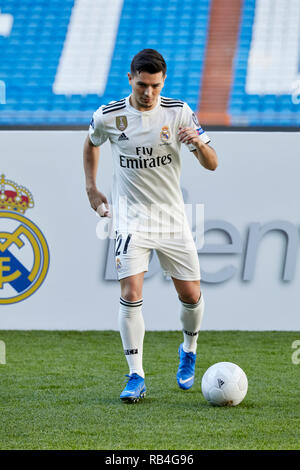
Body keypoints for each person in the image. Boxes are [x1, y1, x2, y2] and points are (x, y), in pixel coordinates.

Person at [83, 49, 218, 403]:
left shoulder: (179, 112)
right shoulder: (109, 116)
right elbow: (91, 142)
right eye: (142, 85)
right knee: (130, 293)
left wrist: (198, 145)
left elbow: (213, 163)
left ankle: (188, 349)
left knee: (190, 295)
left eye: (155, 86)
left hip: (171, 218)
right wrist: (92, 188)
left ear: (163, 82)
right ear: (131, 79)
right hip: (130, 219)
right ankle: (135, 376)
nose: (148, 93)